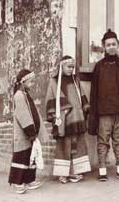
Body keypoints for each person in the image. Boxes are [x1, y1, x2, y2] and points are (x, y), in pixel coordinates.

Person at [88, 29, 119, 182]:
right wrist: (94, 112)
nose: (111, 47)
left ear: (117, 45)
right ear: (104, 46)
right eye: (108, 45)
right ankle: (102, 170)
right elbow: (94, 92)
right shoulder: (99, 67)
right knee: (103, 141)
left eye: (114, 44)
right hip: (104, 112)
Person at [45, 55, 91, 184]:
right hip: (64, 120)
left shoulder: (75, 80)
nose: (71, 69)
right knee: (64, 146)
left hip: (77, 118)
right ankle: (62, 174)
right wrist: (59, 113)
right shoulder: (54, 81)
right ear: (61, 66)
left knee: (77, 145)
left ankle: (75, 171)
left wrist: (86, 107)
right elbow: (50, 98)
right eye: (68, 67)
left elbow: (82, 96)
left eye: (72, 67)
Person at [8, 69, 45, 194]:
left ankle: (29, 180)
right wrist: (30, 131)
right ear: (23, 82)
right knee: (21, 157)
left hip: (30, 134)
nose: (33, 84)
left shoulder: (26, 95)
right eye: (31, 81)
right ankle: (16, 182)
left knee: (30, 156)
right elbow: (22, 115)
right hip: (23, 133)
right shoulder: (19, 96)